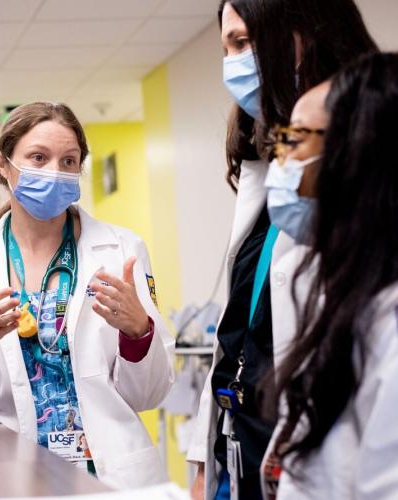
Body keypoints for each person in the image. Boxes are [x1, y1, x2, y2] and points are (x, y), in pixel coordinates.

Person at [0, 102, 175, 489]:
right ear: (3, 165)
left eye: (69, 161)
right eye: (38, 157)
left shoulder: (122, 250)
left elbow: (149, 394)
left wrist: (138, 333)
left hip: (109, 474)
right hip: (11, 474)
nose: (55, 172)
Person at [188, 1, 378, 499]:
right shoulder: (269, 171)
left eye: (245, 42)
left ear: (308, 33)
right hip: (247, 446)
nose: (233, 62)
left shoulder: (367, 167)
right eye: (228, 46)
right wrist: (205, 455)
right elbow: (242, 330)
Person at [264, 51, 398, 500]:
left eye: (297, 140)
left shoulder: (389, 320)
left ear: (359, 152)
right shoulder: (340, 286)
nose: (282, 160)